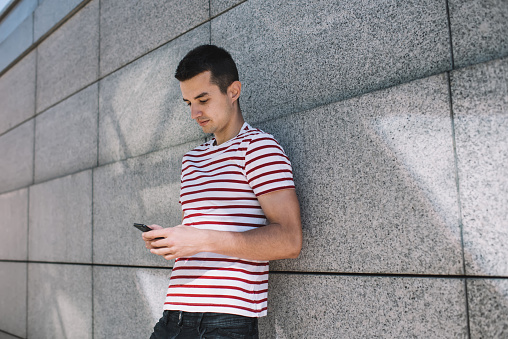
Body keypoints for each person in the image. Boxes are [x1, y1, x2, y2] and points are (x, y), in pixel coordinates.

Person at [143, 44, 302, 339]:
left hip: (225, 321)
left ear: (233, 91)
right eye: (188, 102)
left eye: (203, 99)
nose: (194, 113)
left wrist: (200, 239)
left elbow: (290, 240)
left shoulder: (259, 149)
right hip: (173, 314)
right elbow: (201, 233)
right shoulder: (192, 160)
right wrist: (173, 240)